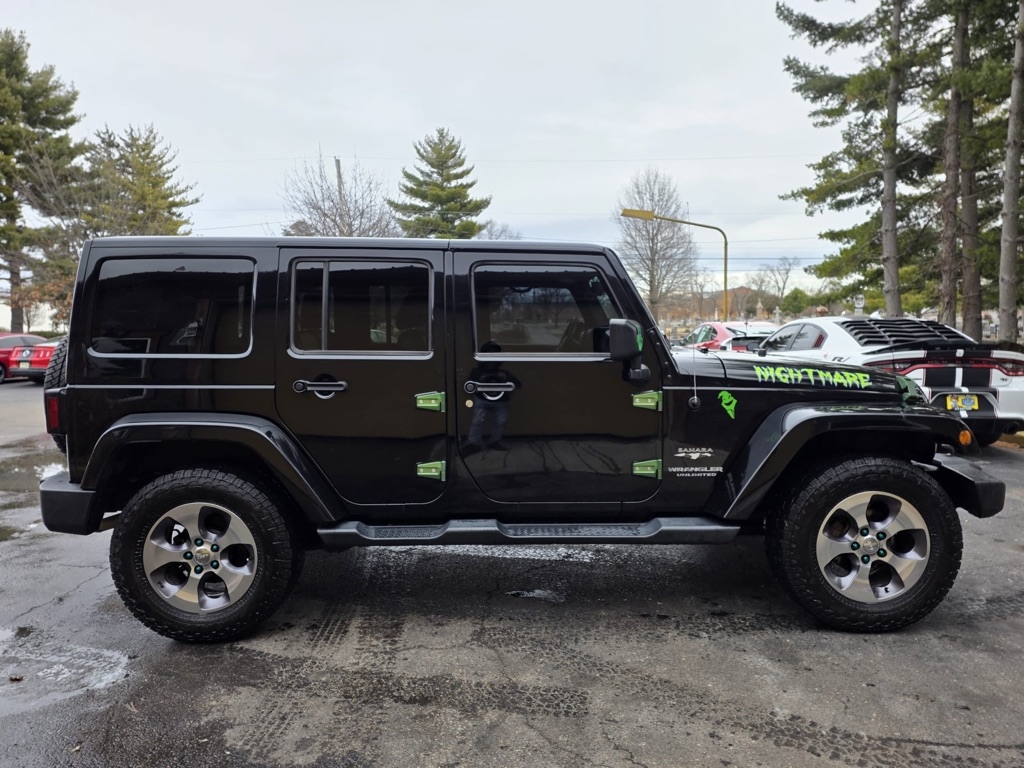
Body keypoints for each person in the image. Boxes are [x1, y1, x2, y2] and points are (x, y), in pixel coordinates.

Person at [465, 341, 521, 452]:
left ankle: (494, 441)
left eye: (495, 355)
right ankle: (473, 443)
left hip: (501, 402)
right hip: (481, 400)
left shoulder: (504, 372)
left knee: (500, 422)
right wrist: (480, 380)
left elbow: (518, 384)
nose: (492, 360)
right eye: (489, 355)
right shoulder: (476, 371)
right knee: (477, 421)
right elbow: (469, 387)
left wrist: (505, 379)